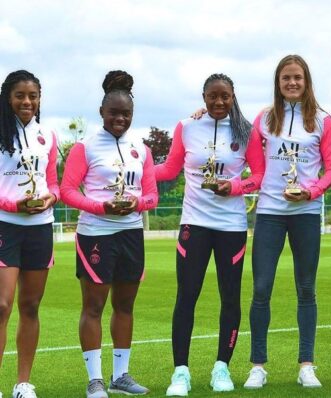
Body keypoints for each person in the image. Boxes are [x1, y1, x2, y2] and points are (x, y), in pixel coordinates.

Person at [156, 73, 264, 395]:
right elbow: (170, 169)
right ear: (203, 97)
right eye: (212, 96)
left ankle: (222, 368)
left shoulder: (246, 132)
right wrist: (138, 168)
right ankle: (181, 372)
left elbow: (258, 175)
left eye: (225, 96)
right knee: (186, 297)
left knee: (230, 298)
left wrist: (233, 187)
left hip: (231, 226)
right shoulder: (187, 127)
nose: (218, 102)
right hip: (194, 224)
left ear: (233, 97)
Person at [242, 54, 331, 389]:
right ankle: (258, 365)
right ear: (278, 83)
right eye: (286, 78)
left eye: (298, 77)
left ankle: (307, 365)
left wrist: (310, 193)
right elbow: (251, 161)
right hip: (269, 212)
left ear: (306, 80)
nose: (292, 83)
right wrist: (198, 113)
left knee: (306, 289)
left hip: (306, 215)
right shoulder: (264, 119)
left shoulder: (323, 121)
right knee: (261, 288)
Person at [60, 70, 158, 398]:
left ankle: (121, 375)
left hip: (130, 233)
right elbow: (67, 191)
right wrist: (101, 208)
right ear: (102, 112)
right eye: (114, 113)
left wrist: (136, 204)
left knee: (125, 305)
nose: (120, 118)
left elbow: (151, 196)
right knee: (93, 306)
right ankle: (95, 380)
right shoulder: (84, 148)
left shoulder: (141, 149)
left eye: (126, 114)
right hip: (95, 234)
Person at [0, 70, 59, 398]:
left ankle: (23, 383)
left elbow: (53, 181)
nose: (27, 101)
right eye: (20, 95)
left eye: (33, 96)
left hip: (40, 228)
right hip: (5, 226)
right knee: (2, 304)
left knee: (31, 306)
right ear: (8, 97)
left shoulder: (47, 134)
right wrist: (12, 204)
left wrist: (51, 197)